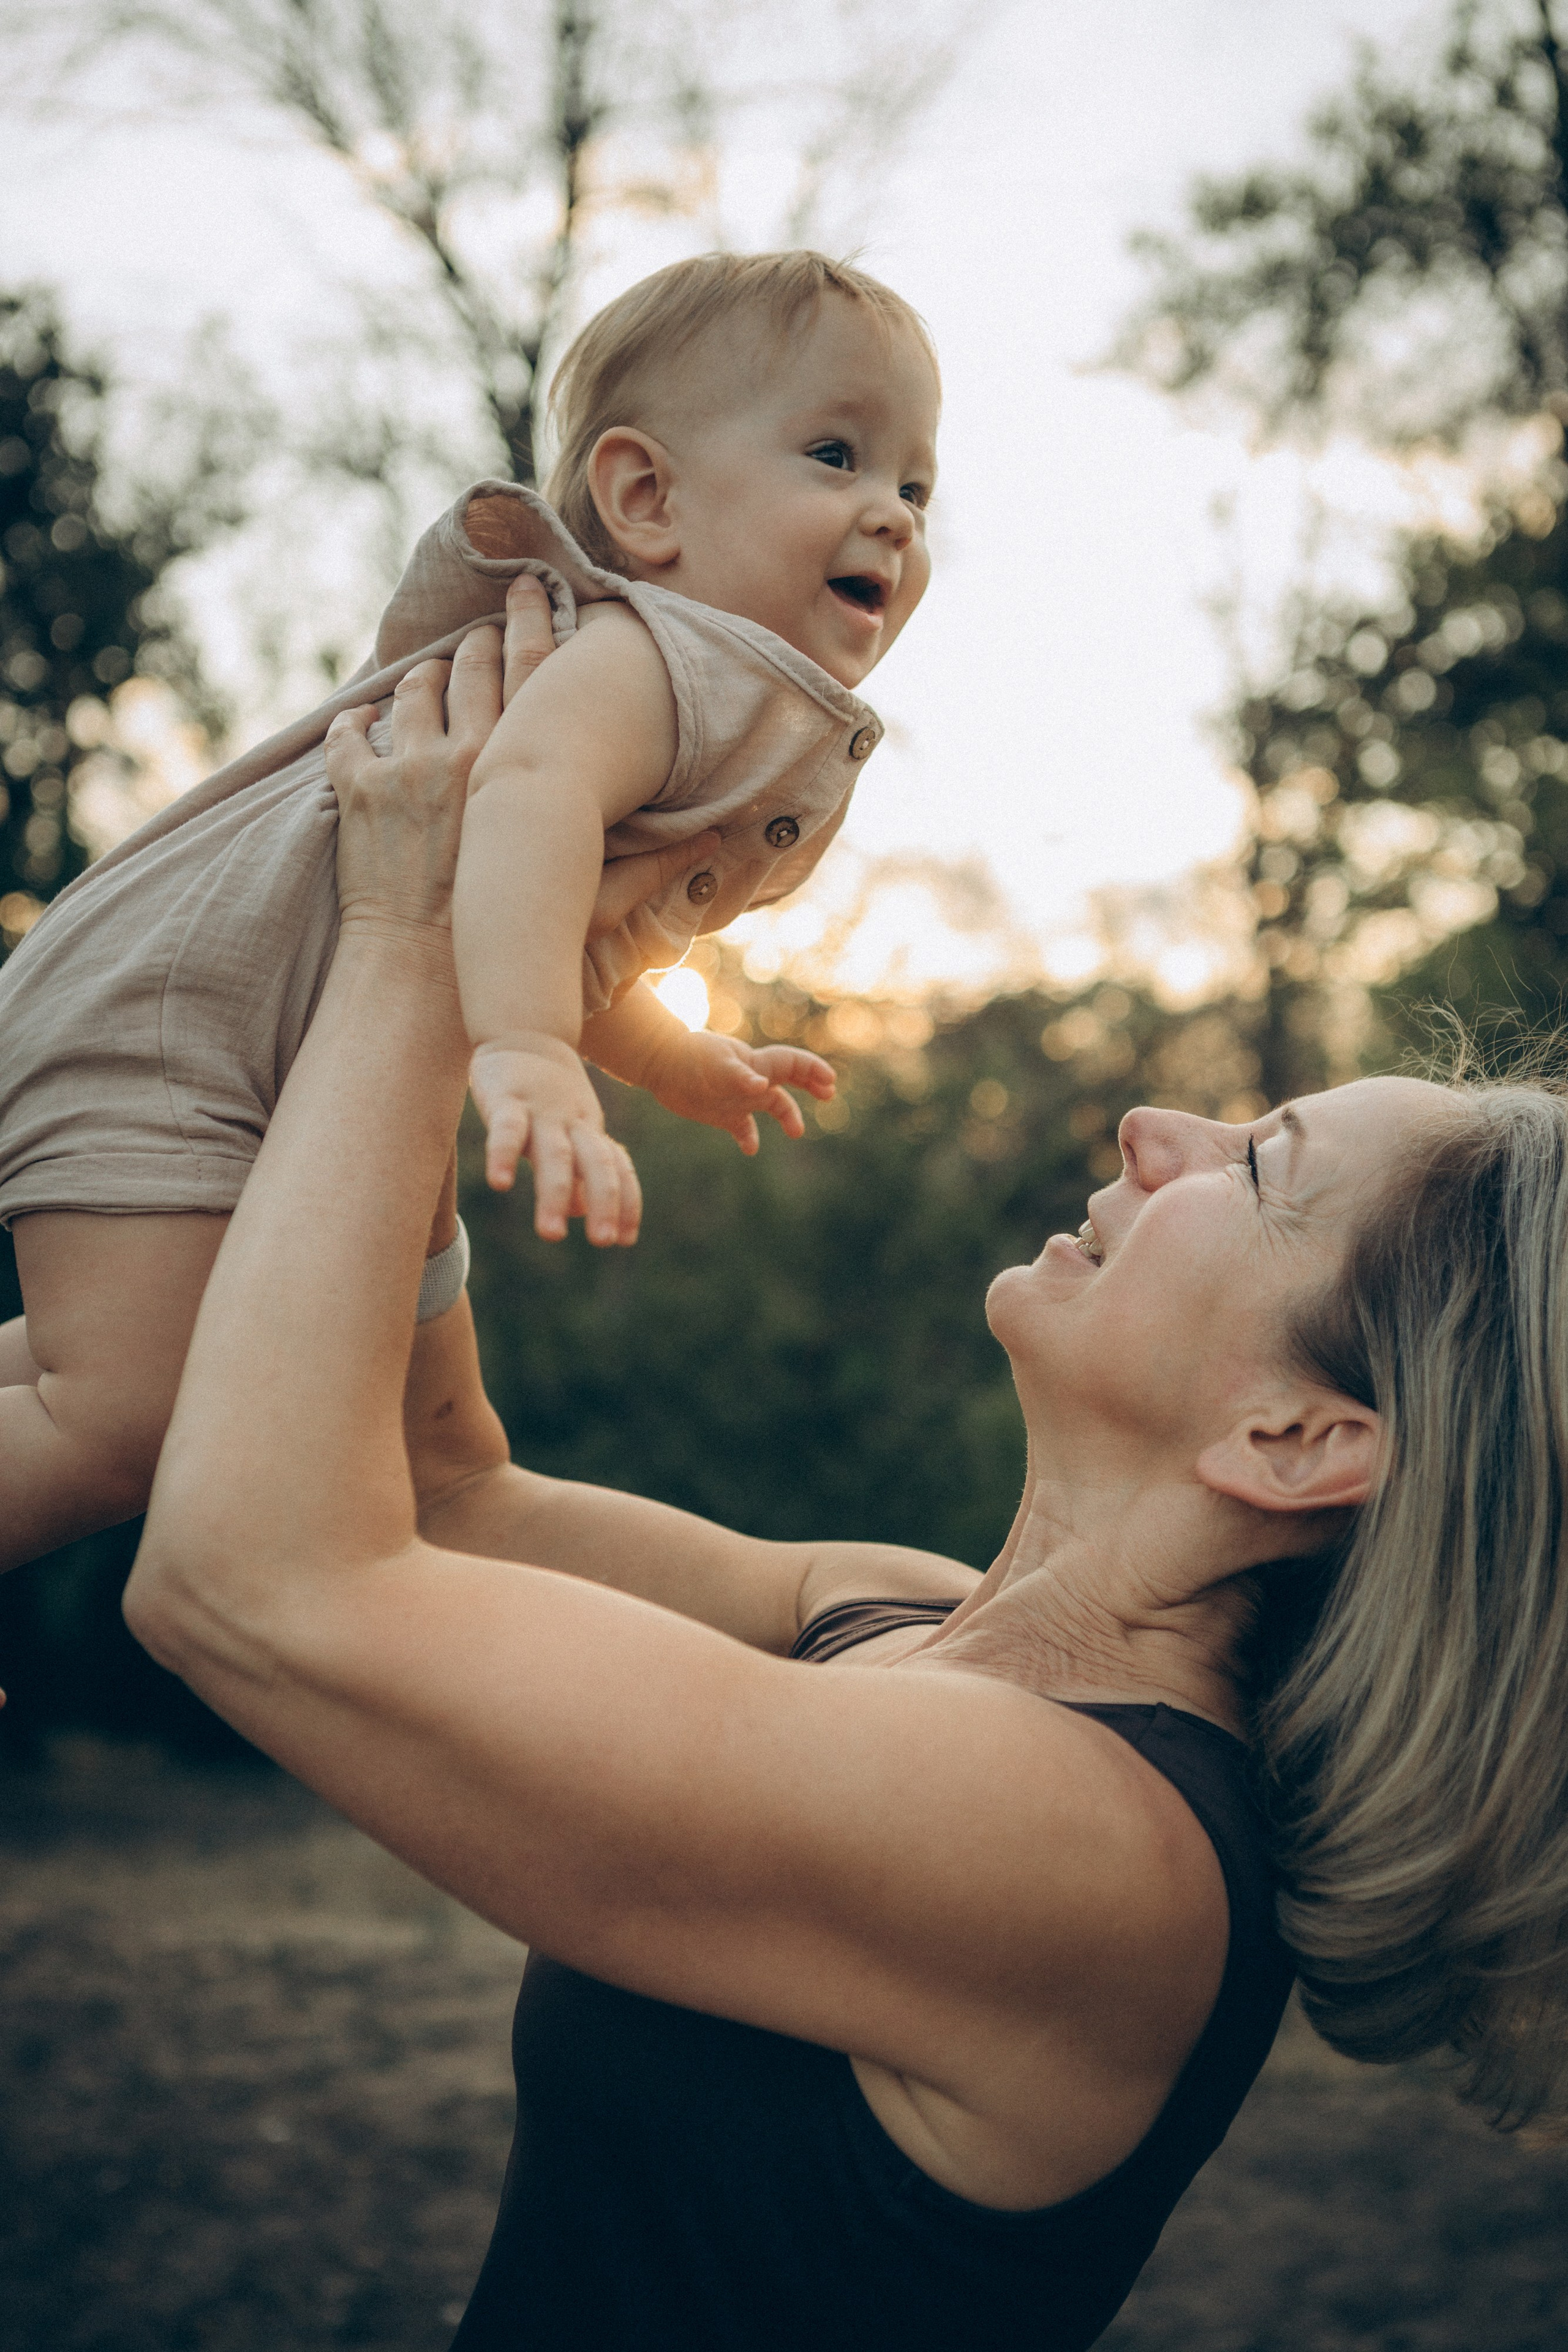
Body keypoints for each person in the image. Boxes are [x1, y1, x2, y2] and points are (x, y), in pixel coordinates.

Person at [122, 622, 1568, 2348]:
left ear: (1301, 1439)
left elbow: (257, 1582)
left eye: (1259, 1167)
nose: (1151, 1135)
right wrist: (482, 988)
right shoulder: (907, 1613)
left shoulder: (1094, 1857)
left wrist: (401, 934)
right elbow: (439, 1493)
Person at [0, 247, 938, 1572]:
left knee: (138, 1347)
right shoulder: (656, 660)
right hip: (180, 1022)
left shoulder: (693, 685)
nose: (894, 515)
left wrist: (665, 1053)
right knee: (130, 1412)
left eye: (914, 482)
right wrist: (528, 1050)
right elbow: (524, 807)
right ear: (644, 495)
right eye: (835, 456)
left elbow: (545, 917)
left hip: (278, 1044)